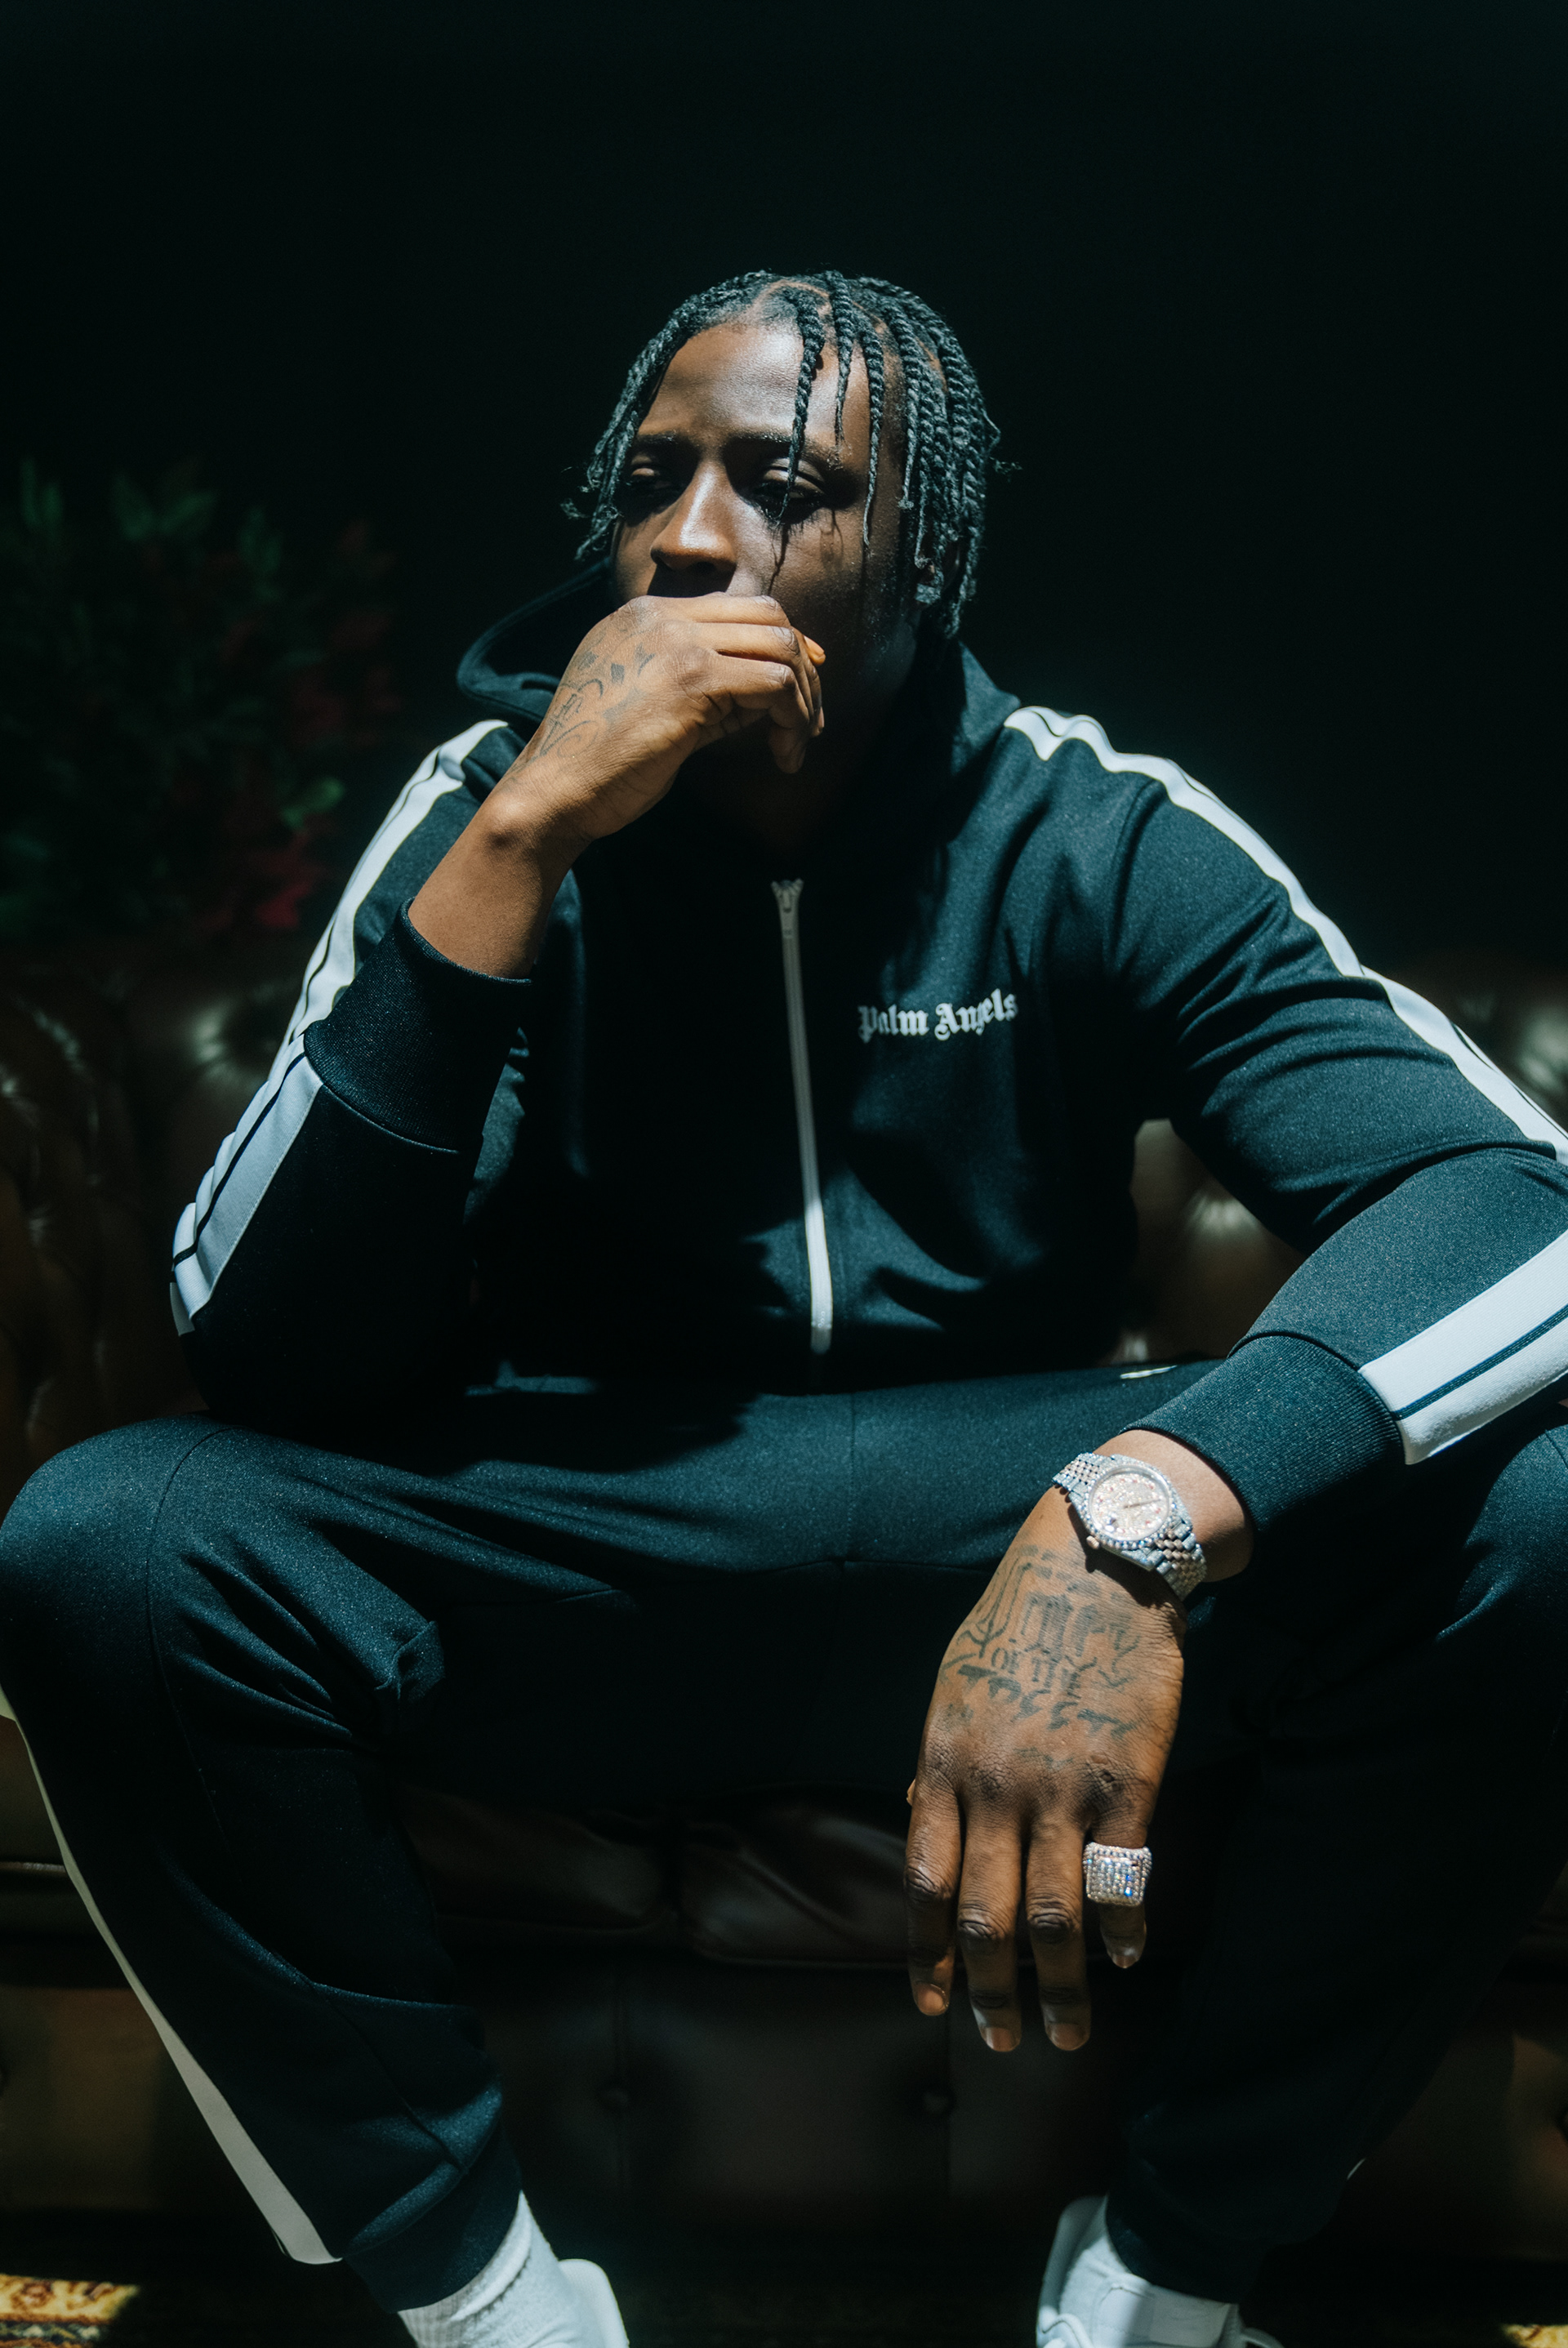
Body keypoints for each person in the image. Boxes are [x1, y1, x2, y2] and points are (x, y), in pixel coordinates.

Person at [1, 269, 1566, 2348]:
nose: (689, 537)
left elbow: (1510, 1199)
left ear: (923, 553)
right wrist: (526, 838)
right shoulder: (492, 806)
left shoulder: (1087, 829)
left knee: (1544, 1516)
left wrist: (1142, 1515)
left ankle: (1164, 2280)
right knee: (106, 1540)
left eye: (783, 482)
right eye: (651, 482)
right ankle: (493, 2308)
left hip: (997, 1528)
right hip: (600, 1539)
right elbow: (264, 1338)